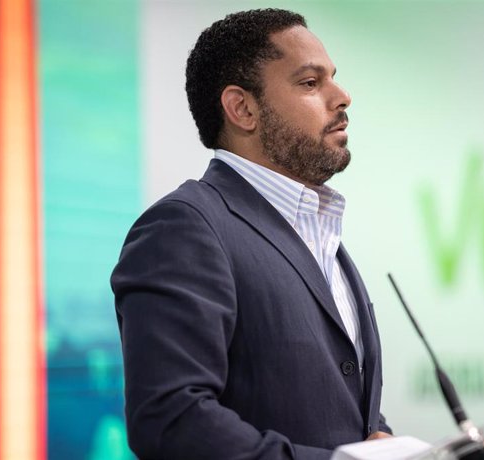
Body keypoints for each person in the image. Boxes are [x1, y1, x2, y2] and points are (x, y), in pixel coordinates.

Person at [111, 8, 392, 459]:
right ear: (242, 108)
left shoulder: (320, 233)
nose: (342, 97)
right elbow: (171, 421)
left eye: (333, 78)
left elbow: (338, 408)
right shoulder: (185, 228)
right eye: (309, 82)